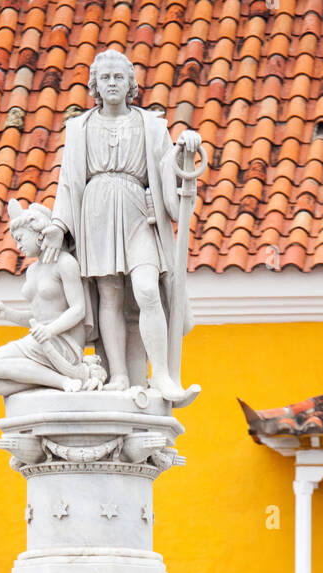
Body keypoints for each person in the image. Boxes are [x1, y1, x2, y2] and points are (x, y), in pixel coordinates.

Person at [40, 49, 201, 402]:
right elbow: (69, 181)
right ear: (95, 85)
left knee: (146, 289)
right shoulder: (79, 128)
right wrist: (58, 224)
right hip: (95, 213)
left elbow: (169, 170)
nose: (112, 83)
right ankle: (120, 375)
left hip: (137, 213)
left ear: (131, 84)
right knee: (109, 296)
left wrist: (185, 148)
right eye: (105, 78)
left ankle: (159, 375)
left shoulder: (152, 125)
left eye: (119, 78)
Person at [0, 200, 105, 396]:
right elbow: (38, 315)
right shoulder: (32, 270)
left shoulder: (65, 263)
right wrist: (6, 313)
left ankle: (63, 379)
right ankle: (62, 378)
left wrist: (49, 331)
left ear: (38, 233)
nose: (18, 245)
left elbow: (78, 309)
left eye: (21, 237)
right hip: (40, 341)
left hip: (63, 342)